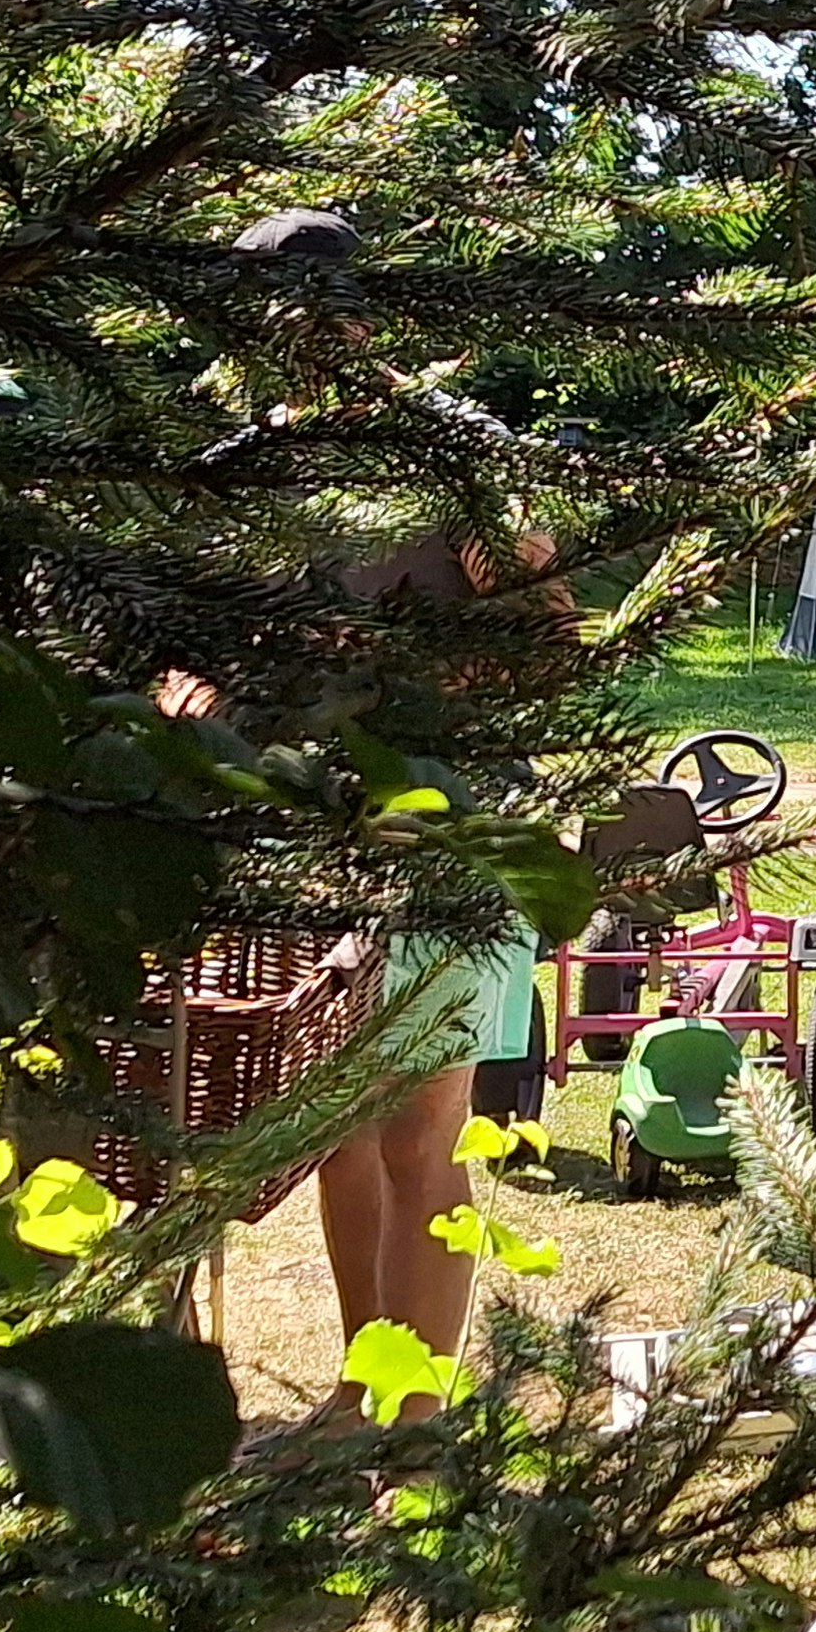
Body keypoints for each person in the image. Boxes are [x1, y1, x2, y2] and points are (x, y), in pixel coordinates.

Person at [218, 208, 555, 1424]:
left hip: (446, 827)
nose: (302, 344)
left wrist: (453, 641)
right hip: (303, 837)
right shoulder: (249, 462)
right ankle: (369, 1384)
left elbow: (550, 627)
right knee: (339, 1129)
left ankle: (413, 1428)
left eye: (324, 318)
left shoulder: (450, 450)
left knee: (422, 1131)